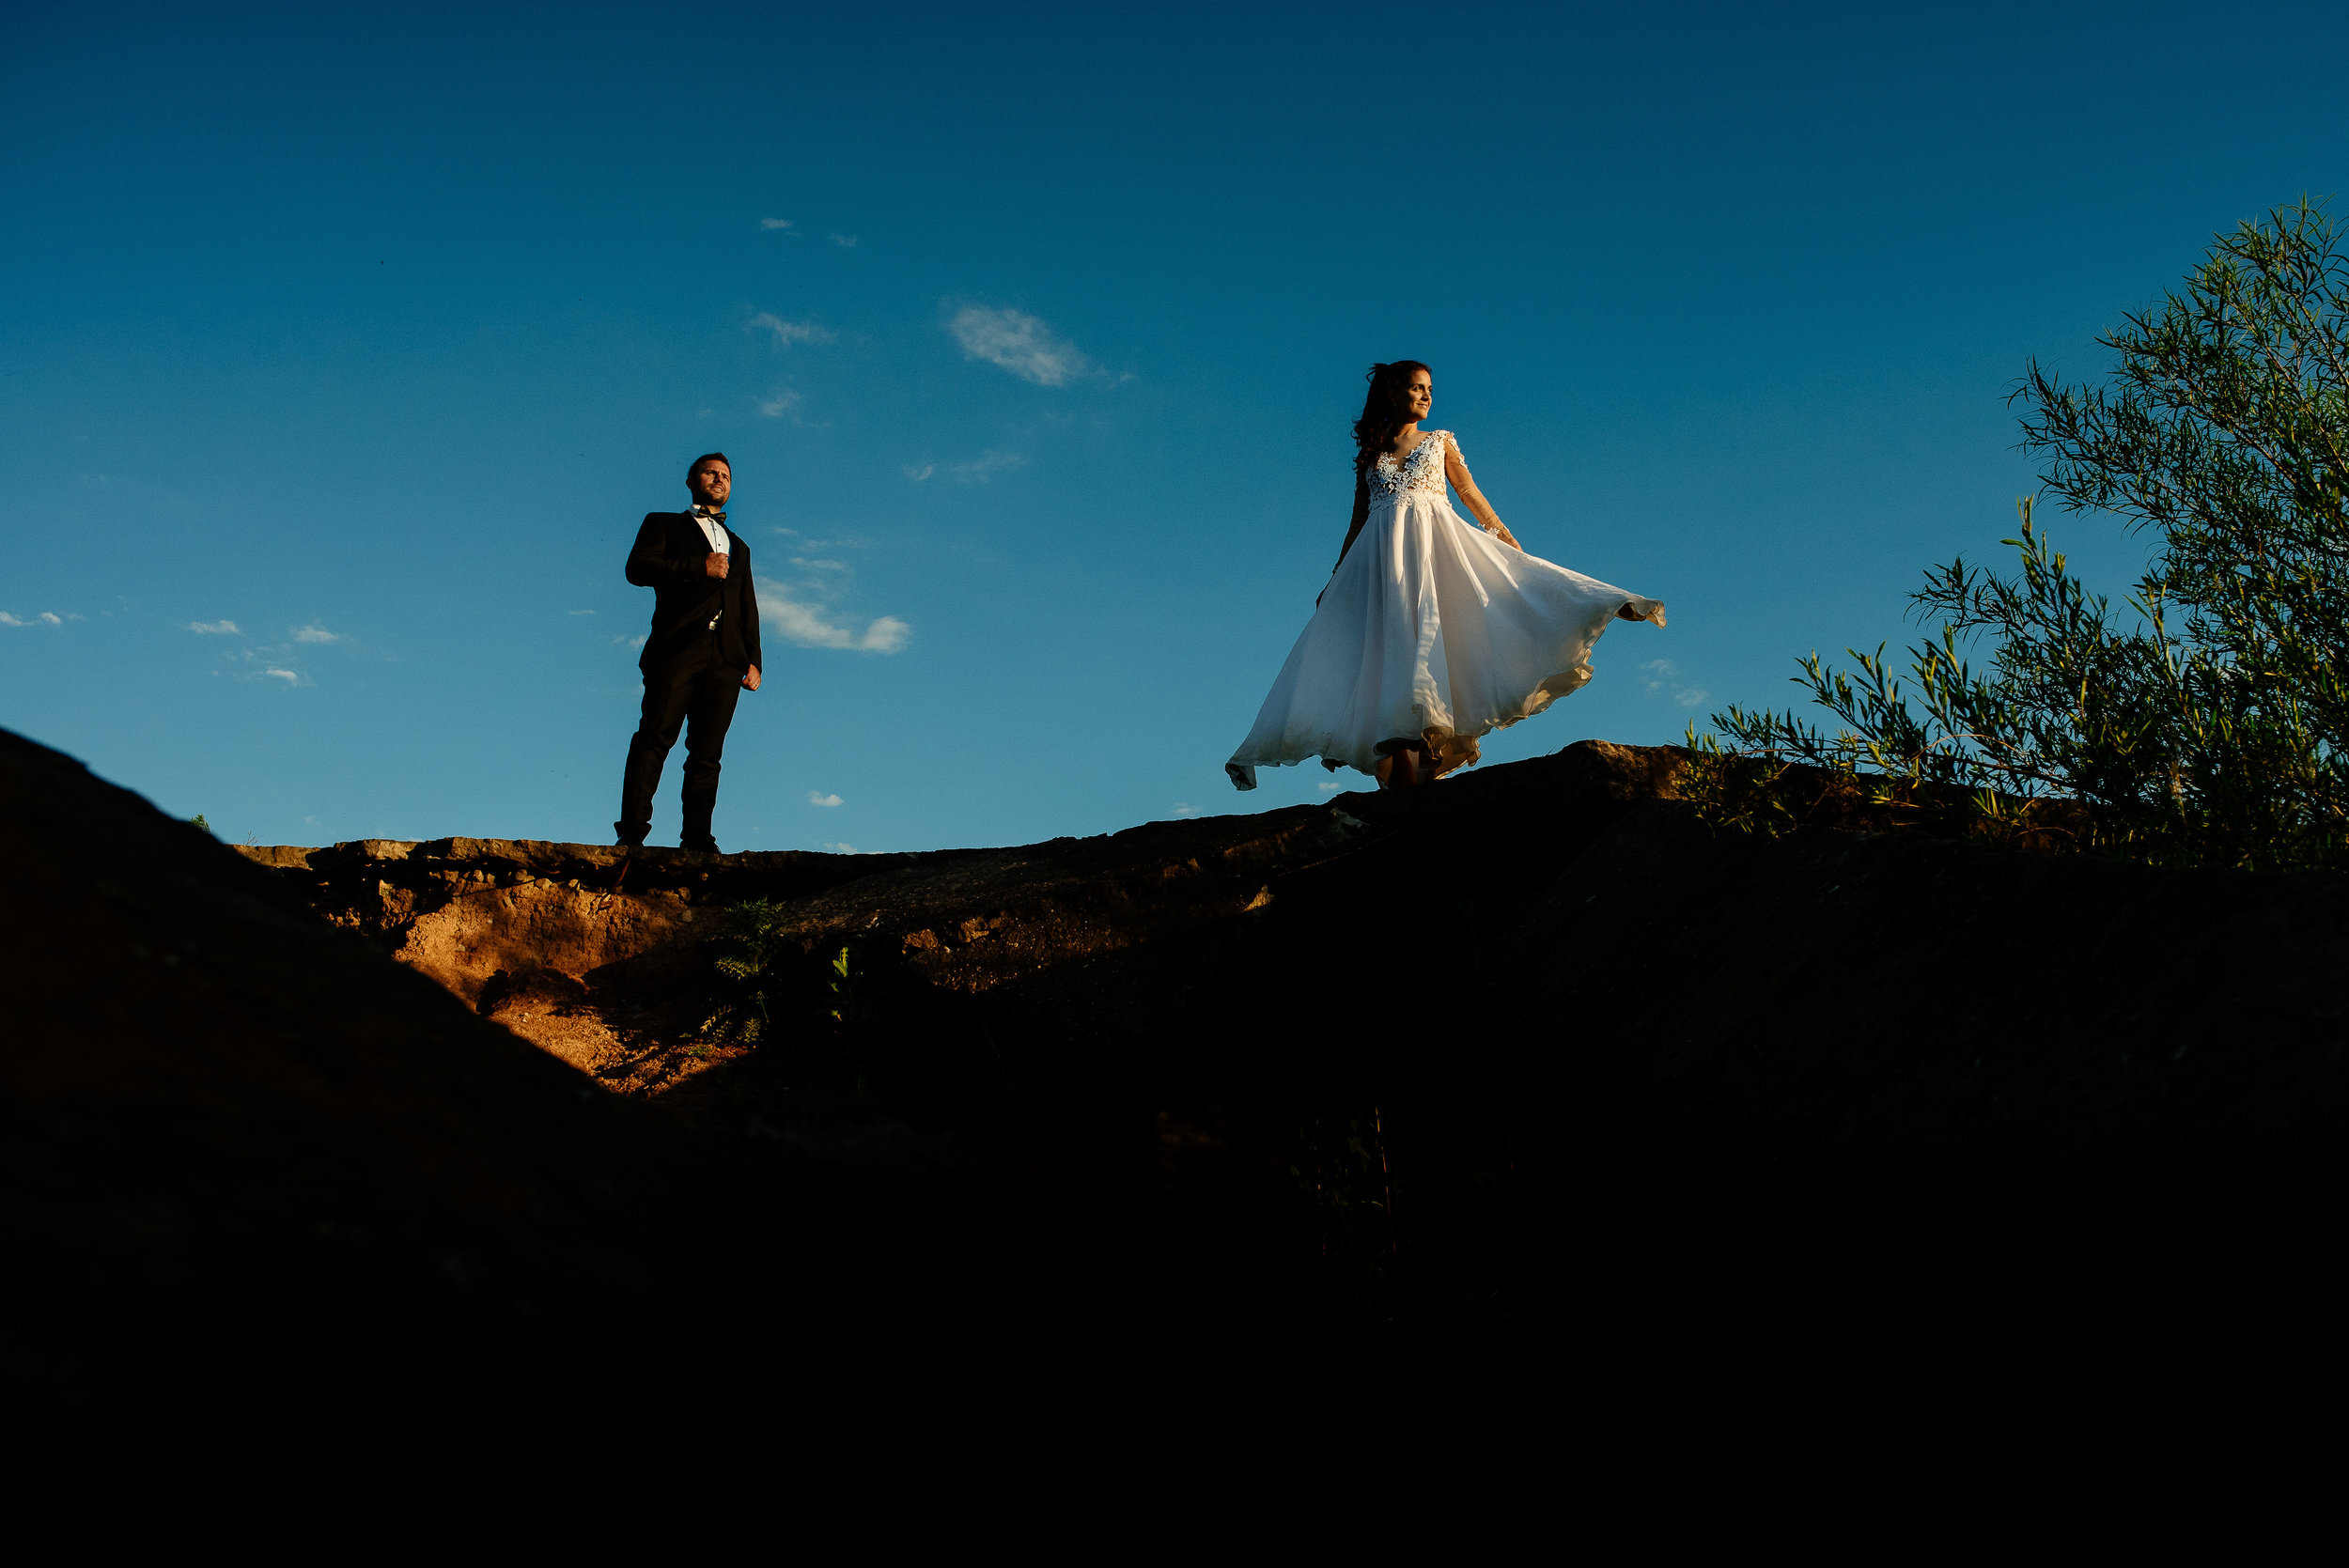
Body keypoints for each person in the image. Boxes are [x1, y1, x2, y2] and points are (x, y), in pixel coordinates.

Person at [1226, 362, 1662, 791]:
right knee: (1390, 649)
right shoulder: (1371, 459)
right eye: (1417, 387)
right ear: (1391, 393)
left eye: (1430, 388)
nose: (1427, 395)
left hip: (1434, 550)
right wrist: (1336, 578)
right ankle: (1401, 773)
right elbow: (1358, 520)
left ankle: (1602, 604)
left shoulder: (1439, 442)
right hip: (1381, 564)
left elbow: (1469, 492)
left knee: (1434, 637)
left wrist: (1507, 542)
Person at [615, 452, 763, 852]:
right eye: (711, 473)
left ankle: (697, 839)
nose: (720, 480)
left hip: (727, 659)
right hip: (677, 649)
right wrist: (700, 567)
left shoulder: (741, 547)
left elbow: (747, 604)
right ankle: (631, 833)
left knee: (707, 753)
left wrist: (753, 658)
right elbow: (638, 569)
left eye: (726, 476)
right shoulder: (662, 523)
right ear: (691, 480)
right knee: (655, 738)